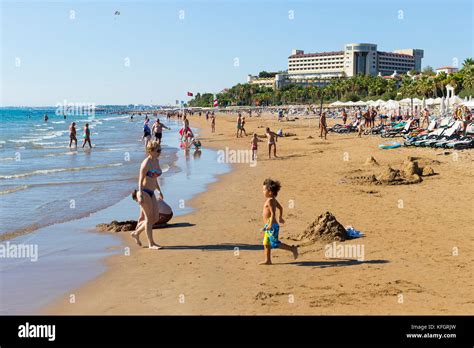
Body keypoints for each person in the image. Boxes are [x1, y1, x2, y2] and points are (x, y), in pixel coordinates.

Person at [131, 141, 164, 249]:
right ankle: (151, 244)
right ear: (151, 151)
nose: (160, 152)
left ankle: (136, 233)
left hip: (152, 191)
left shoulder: (156, 161)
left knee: (155, 218)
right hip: (144, 192)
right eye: (158, 150)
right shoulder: (146, 163)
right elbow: (140, 180)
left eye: (160, 150)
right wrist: (139, 195)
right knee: (149, 219)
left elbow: (154, 178)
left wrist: (159, 190)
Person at [259, 179, 298, 265]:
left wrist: (270, 225)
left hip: (272, 226)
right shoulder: (273, 199)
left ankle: (292, 249)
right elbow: (280, 208)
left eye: (264, 190)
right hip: (268, 225)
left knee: (275, 243)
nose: (263, 191)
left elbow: (273, 213)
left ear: (270, 192)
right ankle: (268, 260)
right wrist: (280, 217)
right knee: (266, 243)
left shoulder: (270, 201)